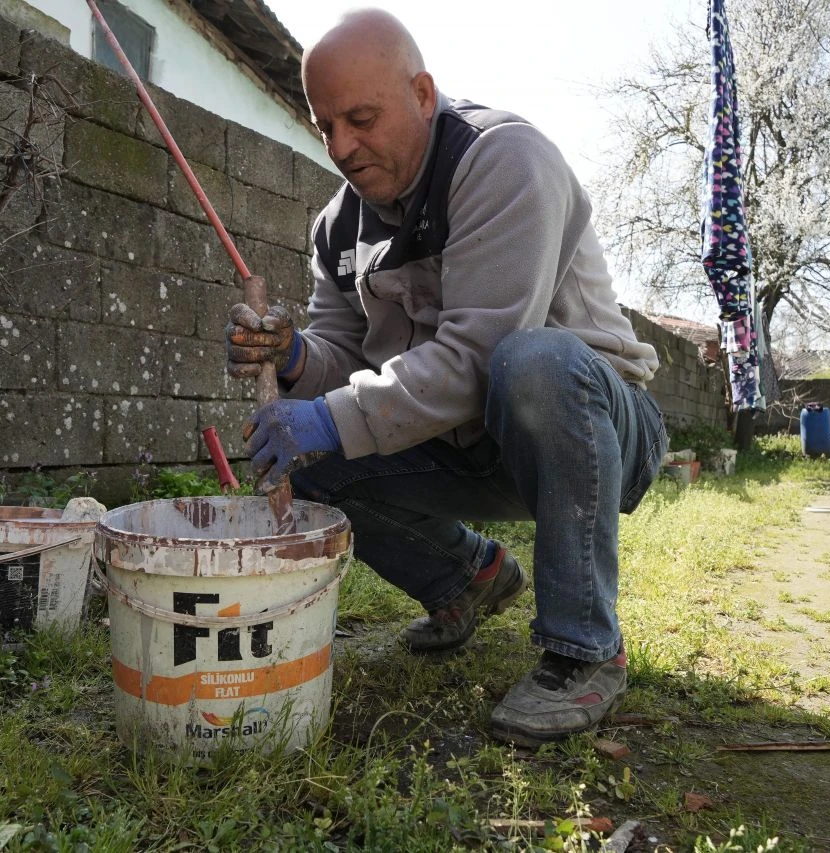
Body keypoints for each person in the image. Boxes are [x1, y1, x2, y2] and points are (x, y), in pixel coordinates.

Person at [225, 8, 666, 747]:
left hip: (592, 432)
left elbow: (478, 355)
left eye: (361, 119)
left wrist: (330, 414)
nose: (341, 147)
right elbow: (349, 363)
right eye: (326, 125)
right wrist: (297, 357)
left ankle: (585, 648)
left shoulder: (503, 160)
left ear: (422, 94)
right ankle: (466, 578)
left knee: (534, 360)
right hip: (465, 443)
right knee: (314, 461)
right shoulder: (337, 228)